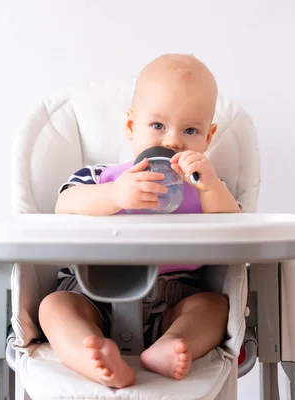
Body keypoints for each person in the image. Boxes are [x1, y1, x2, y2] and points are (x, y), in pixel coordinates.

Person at [38, 53, 241, 388]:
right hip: (92, 291)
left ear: (208, 137)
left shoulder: (208, 189)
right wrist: (115, 196)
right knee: (54, 306)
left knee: (214, 307)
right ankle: (90, 353)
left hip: (176, 298)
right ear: (132, 126)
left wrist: (210, 186)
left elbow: (237, 229)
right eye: (158, 126)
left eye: (190, 130)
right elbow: (64, 205)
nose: (172, 141)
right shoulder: (103, 177)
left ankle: (172, 346)